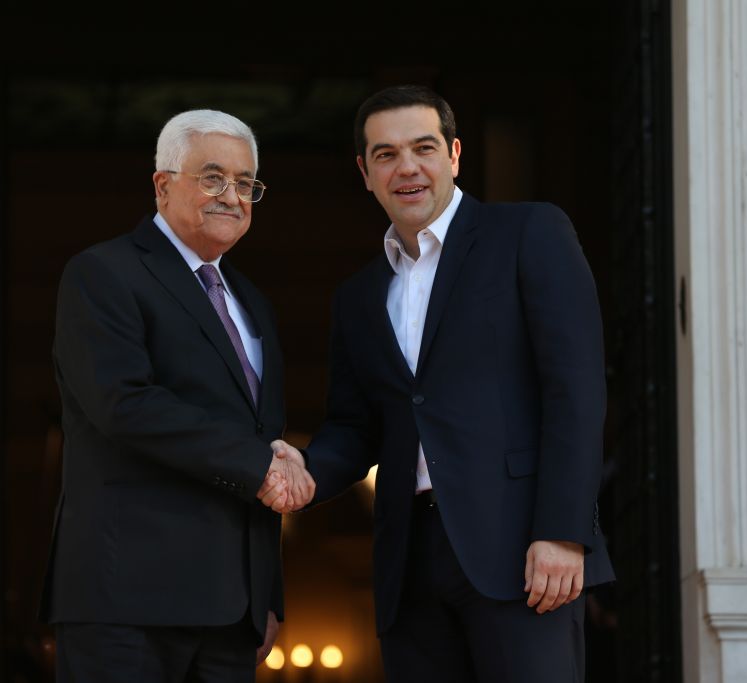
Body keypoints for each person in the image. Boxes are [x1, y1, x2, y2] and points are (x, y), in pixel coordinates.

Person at [265, 85, 615, 682]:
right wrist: (298, 470)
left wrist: (562, 532)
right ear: (364, 172)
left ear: (454, 154)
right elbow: (355, 427)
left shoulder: (528, 232)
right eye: (386, 154)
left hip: (522, 551)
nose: (407, 168)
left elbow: (575, 388)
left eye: (423, 148)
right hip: (409, 562)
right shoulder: (357, 296)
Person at [39, 108, 314, 683]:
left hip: (232, 611)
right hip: (129, 602)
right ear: (163, 186)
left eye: (246, 184)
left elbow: (263, 435)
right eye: (213, 178)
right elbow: (126, 403)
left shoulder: (251, 301)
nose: (232, 196)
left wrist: (267, 591)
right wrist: (260, 465)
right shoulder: (103, 273)